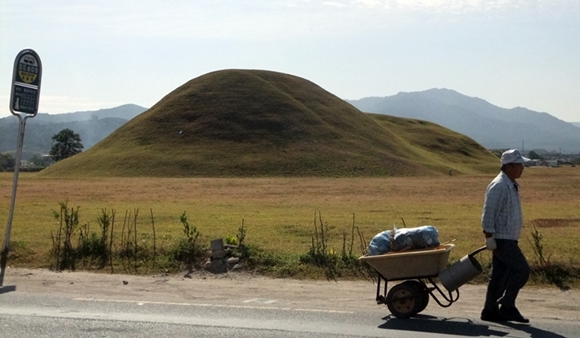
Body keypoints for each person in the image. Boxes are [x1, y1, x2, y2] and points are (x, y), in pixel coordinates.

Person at [480, 149, 530, 323]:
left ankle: (489, 311)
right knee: (521, 269)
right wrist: (489, 237)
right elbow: (488, 213)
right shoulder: (499, 185)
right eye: (519, 165)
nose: (522, 168)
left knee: (499, 275)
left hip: (507, 237)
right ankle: (507, 305)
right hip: (502, 239)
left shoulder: (510, 184)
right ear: (509, 167)